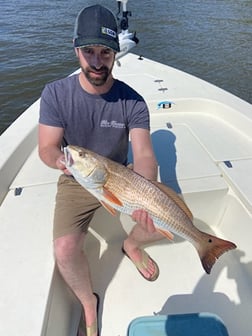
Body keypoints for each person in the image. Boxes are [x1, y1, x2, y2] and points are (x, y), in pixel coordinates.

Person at [38, 4, 163, 336]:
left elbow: (145, 155)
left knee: (159, 221)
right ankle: (88, 302)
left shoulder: (133, 101)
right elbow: (48, 147)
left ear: (115, 54)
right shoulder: (55, 93)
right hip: (75, 177)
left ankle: (132, 245)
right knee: (64, 249)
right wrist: (61, 162)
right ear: (76, 50)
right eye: (89, 51)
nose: (96, 61)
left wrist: (146, 189)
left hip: (121, 175)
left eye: (105, 52)